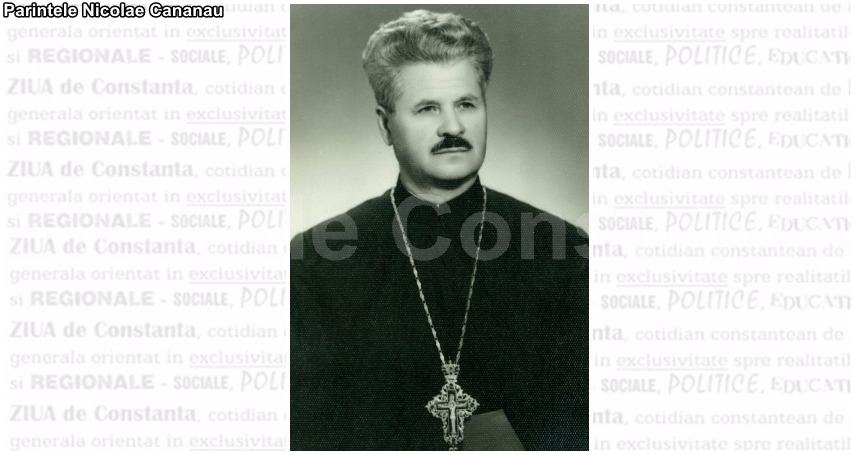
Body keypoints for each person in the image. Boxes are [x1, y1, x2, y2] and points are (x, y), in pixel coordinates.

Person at [291, 9, 588, 451]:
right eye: (428, 108)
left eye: (466, 104)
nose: (453, 127)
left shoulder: (563, 251)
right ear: (385, 125)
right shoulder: (315, 263)